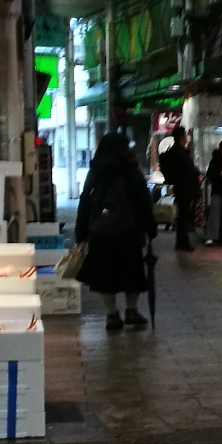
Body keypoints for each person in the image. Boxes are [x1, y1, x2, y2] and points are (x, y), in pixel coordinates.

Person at [74, 131, 156, 331]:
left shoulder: (95, 171)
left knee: (105, 277)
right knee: (132, 273)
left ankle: (111, 315)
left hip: (100, 233)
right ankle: (131, 311)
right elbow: (143, 202)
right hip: (129, 233)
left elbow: (85, 201)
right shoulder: (130, 170)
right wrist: (151, 228)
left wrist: (81, 232)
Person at [157, 128, 201, 252]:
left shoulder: (175, 151)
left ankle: (181, 241)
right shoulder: (179, 151)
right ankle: (183, 242)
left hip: (181, 186)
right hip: (184, 187)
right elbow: (188, 167)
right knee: (183, 215)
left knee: (183, 214)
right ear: (181, 137)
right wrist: (198, 174)